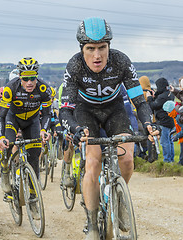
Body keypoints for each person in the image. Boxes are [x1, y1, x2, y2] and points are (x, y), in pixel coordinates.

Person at [60, 17, 159, 239]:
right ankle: (92, 222)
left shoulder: (121, 61)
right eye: (91, 48)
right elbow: (65, 110)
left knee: (127, 158)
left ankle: (120, 199)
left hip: (114, 111)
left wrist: (148, 124)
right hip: (86, 113)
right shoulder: (74, 65)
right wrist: (75, 129)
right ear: (82, 49)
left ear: (109, 46)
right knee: (93, 163)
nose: (97, 55)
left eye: (102, 47)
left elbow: (140, 102)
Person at [0, 57, 51, 196]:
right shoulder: (10, 88)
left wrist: (44, 130)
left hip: (32, 122)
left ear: (36, 77)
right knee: (8, 144)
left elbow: (46, 114)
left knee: (34, 156)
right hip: (13, 119)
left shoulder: (44, 89)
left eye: (33, 78)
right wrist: (1, 137)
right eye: (25, 79)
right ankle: (4, 170)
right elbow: (1, 116)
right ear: (20, 77)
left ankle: (33, 197)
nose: (29, 83)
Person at [147, 77, 175, 163]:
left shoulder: (162, 97)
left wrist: (149, 98)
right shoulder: (170, 94)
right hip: (170, 121)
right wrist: (155, 96)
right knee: (170, 141)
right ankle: (171, 160)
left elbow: (153, 105)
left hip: (164, 122)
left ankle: (167, 161)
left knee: (165, 142)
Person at [138, 76, 158, 162]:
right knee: (153, 137)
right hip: (153, 117)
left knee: (144, 137)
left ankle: (144, 156)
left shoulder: (140, 93)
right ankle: (154, 156)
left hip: (142, 118)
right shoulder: (153, 91)